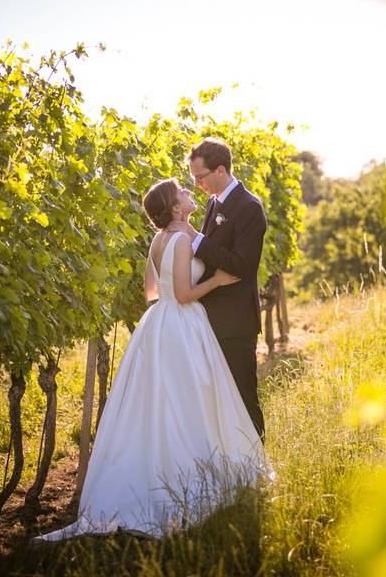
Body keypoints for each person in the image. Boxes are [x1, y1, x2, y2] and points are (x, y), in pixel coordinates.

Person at [33, 178, 268, 541]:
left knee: (158, 404)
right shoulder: (180, 239)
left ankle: (152, 471)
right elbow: (186, 294)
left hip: (158, 323)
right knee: (189, 403)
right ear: (175, 208)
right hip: (183, 324)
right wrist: (216, 282)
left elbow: (150, 291)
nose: (191, 194)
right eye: (183, 193)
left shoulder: (160, 239)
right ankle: (181, 481)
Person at [168, 138, 267, 439]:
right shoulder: (214, 202)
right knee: (218, 400)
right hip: (209, 318)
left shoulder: (249, 207)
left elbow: (242, 266)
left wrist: (196, 239)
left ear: (221, 170)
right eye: (193, 178)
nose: (197, 184)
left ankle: (256, 467)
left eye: (200, 177)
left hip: (235, 321)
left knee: (242, 395)